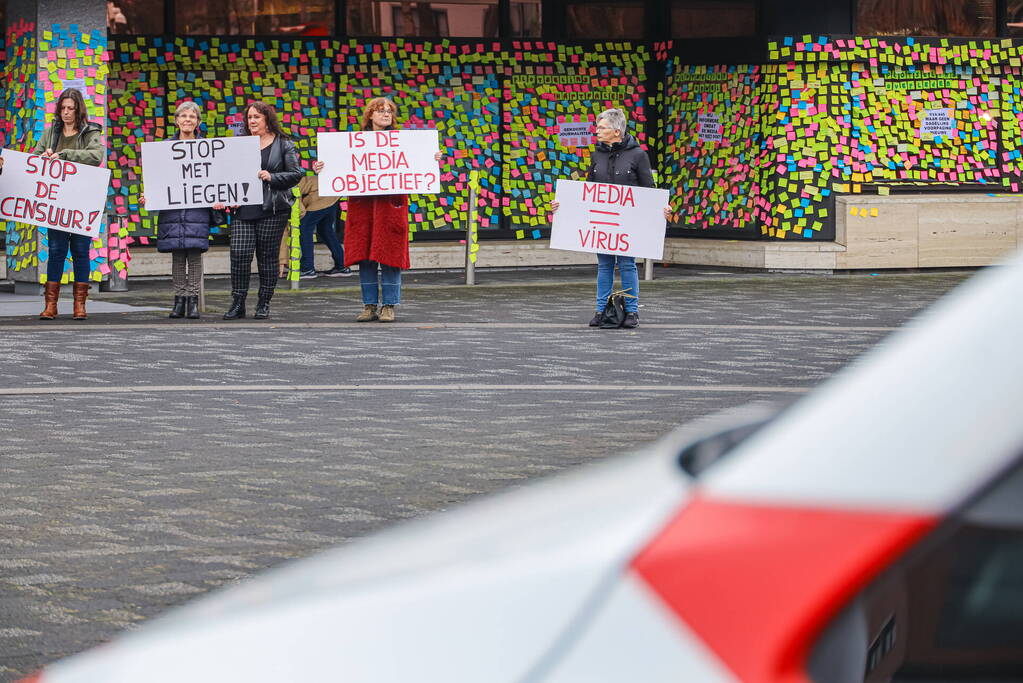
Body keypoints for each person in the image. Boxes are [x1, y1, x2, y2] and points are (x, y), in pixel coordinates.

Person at [313, 97, 442, 322]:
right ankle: (369, 305)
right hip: (363, 208)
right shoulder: (353, 143)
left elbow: (418, 163)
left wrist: (432, 158)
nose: (385, 115)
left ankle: (389, 305)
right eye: (380, 111)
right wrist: (322, 167)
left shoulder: (403, 142)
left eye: (389, 112)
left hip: (390, 206)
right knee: (365, 256)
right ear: (370, 115)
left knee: (390, 255)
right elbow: (338, 167)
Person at [550, 108, 671, 329]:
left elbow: (649, 190)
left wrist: (661, 210)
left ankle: (632, 312)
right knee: (604, 265)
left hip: (628, 222)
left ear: (616, 131)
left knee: (627, 264)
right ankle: (601, 309)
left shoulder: (638, 155)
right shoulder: (597, 155)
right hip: (603, 222)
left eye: (602, 127)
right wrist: (563, 206)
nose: (597, 131)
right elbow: (588, 191)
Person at [141, 101, 226, 319]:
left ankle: (193, 301)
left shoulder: (207, 149)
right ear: (177, 120)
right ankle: (179, 301)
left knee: (195, 256)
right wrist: (149, 195)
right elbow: (157, 179)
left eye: (192, 117)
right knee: (178, 257)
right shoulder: (164, 149)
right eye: (184, 116)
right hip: (172, 212)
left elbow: (215, 178)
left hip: (197, 210)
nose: (187, 120)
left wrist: (218, 198)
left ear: (198, 122)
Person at [224, 100, 302, 320]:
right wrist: (226, 196)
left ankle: (263, 303)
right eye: (249, 117)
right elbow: (227, 175)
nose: (252, 121)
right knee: (239, 255)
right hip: (243, 209)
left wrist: (272, 177)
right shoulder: (239, 144)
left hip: (272, 209)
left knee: (267, 258)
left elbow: (296, 174)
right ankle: (238, 302)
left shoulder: (284, 144)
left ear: (267, 119)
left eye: (256, 117)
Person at [30, 88, 104, 320]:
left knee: (81, 251)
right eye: (63, 108)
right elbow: (35, 157)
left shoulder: (90, 132)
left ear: (78, 109)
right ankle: (51, 305)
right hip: (57, 203)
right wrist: (42, 158)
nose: (66, 112)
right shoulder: (51, 132)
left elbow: (96, 156)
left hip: (81, 201)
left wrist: (64, 155)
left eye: (71, 108)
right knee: (56, 251)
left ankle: (79, 306)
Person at [296, 174, 349, 278]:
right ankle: (342, 266)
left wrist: (301, 214)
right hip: (331, 195)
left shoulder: (288, 182)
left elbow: (297, 200)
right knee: (325, 230)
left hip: (321, 197)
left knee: (304, 228)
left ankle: (307, 268)